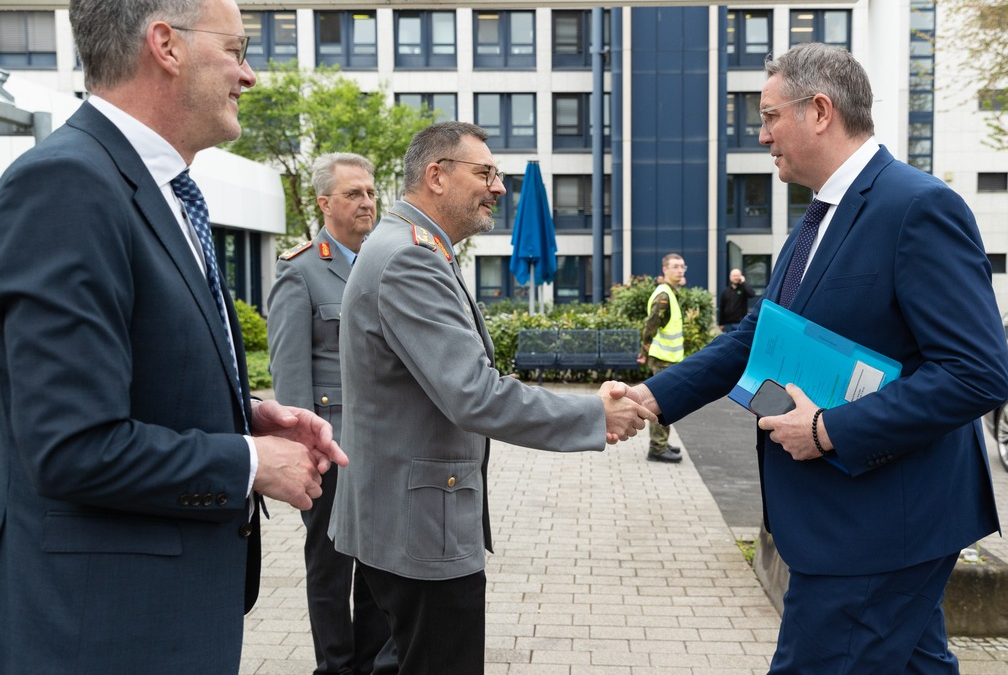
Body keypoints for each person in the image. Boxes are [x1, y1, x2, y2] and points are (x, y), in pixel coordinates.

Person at [629, 43, 1008, 674]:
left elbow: (977, 374)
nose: (762, 134)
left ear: (820, 111)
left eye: (770, 115)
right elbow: (757, 335)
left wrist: (828, 431)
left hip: (878, 526)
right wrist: (654, 396)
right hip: (859, 522)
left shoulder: (916, 207)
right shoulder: (818, 217)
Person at [0, 1, 347, 673]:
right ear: (166, 45)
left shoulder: (156, 187)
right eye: (237, 49)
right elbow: (72, 445)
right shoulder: (67, 184)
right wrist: (249, 460)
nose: (249, 75)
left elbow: (131, 377)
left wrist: (246, 415)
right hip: (105, 635)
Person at [327, 121, 652, 675]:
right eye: (485, 173)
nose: (499, 187)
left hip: (404, 521)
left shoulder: (409, 246)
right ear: (436, 176)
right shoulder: (410, 257)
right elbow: (475, 395)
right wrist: (594, 415)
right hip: (421, 531)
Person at [267, 153, 397, 675]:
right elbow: (290, 375)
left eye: (370, 192)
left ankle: (369, 664)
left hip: (383, 446)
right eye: (353, 194)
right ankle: (336, 667)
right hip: (331, 448)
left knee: (378, 568)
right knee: (330, 568)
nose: (367, 202)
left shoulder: (384, 262)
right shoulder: (300, 270)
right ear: (325, 203)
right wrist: (307, 450)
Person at [637, 253, 687, 463]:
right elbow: (651, 324)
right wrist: (644, 349)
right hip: (663, 358)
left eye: (682, 266)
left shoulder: (671, 292)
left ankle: (662, 443)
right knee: (661, 403)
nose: (680, 270)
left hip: (669, 357)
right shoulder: (664, 295)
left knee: (666, 402)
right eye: (675, 266)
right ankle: (657, 448)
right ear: (664, 269)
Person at [717, 268, 756, 333]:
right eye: (734, 276)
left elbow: (752, 294)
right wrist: (721, 323)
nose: (736, 277)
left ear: (741, 277)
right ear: (730, 277)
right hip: (727, 324)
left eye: (737, 276)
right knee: (728, 342)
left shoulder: (743, 289)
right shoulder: (725, 291)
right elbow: (722, 307)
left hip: (740, 323)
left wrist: (743, 282)